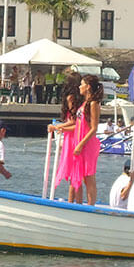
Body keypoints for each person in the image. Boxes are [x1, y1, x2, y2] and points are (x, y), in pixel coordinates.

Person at [48, 73, 84, 203]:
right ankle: (77, 203)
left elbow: (73, 121)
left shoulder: (71, 98)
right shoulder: (81, 99)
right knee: (76, 175)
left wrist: (58, 127)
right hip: (75, 136)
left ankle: (72, 203)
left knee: (74, 175)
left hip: (72, 138)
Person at [72, 75, 103, 205]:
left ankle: (91, 206)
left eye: (82, 84)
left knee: (89, 177)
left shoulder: (93, 103)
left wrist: (80, 144)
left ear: (88, 86)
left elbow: (94, 128)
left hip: (87, 144)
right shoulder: (85, 103)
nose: (79, 87)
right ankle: (78, 203)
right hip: (80, 141)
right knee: (80, 176)